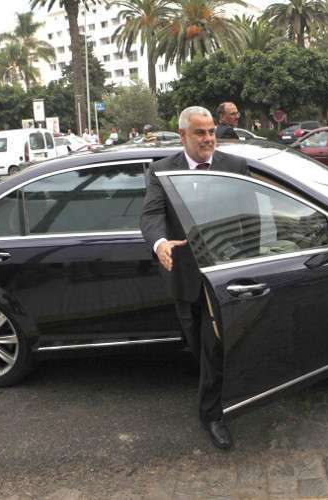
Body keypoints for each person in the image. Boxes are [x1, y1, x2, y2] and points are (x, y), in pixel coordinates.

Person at [140, 106, 249, 450]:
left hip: (226, 276)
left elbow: (251, 219)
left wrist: (249, 261)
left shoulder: (235, 167)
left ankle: (212, 415)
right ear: (183, 135)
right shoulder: (161, 171)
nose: (208, 139)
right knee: (200, 347)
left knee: (215, 347)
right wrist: (159, 243)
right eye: (200, 133)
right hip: (185, 277)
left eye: (211, 131)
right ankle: (212, 387)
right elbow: (151, 215)